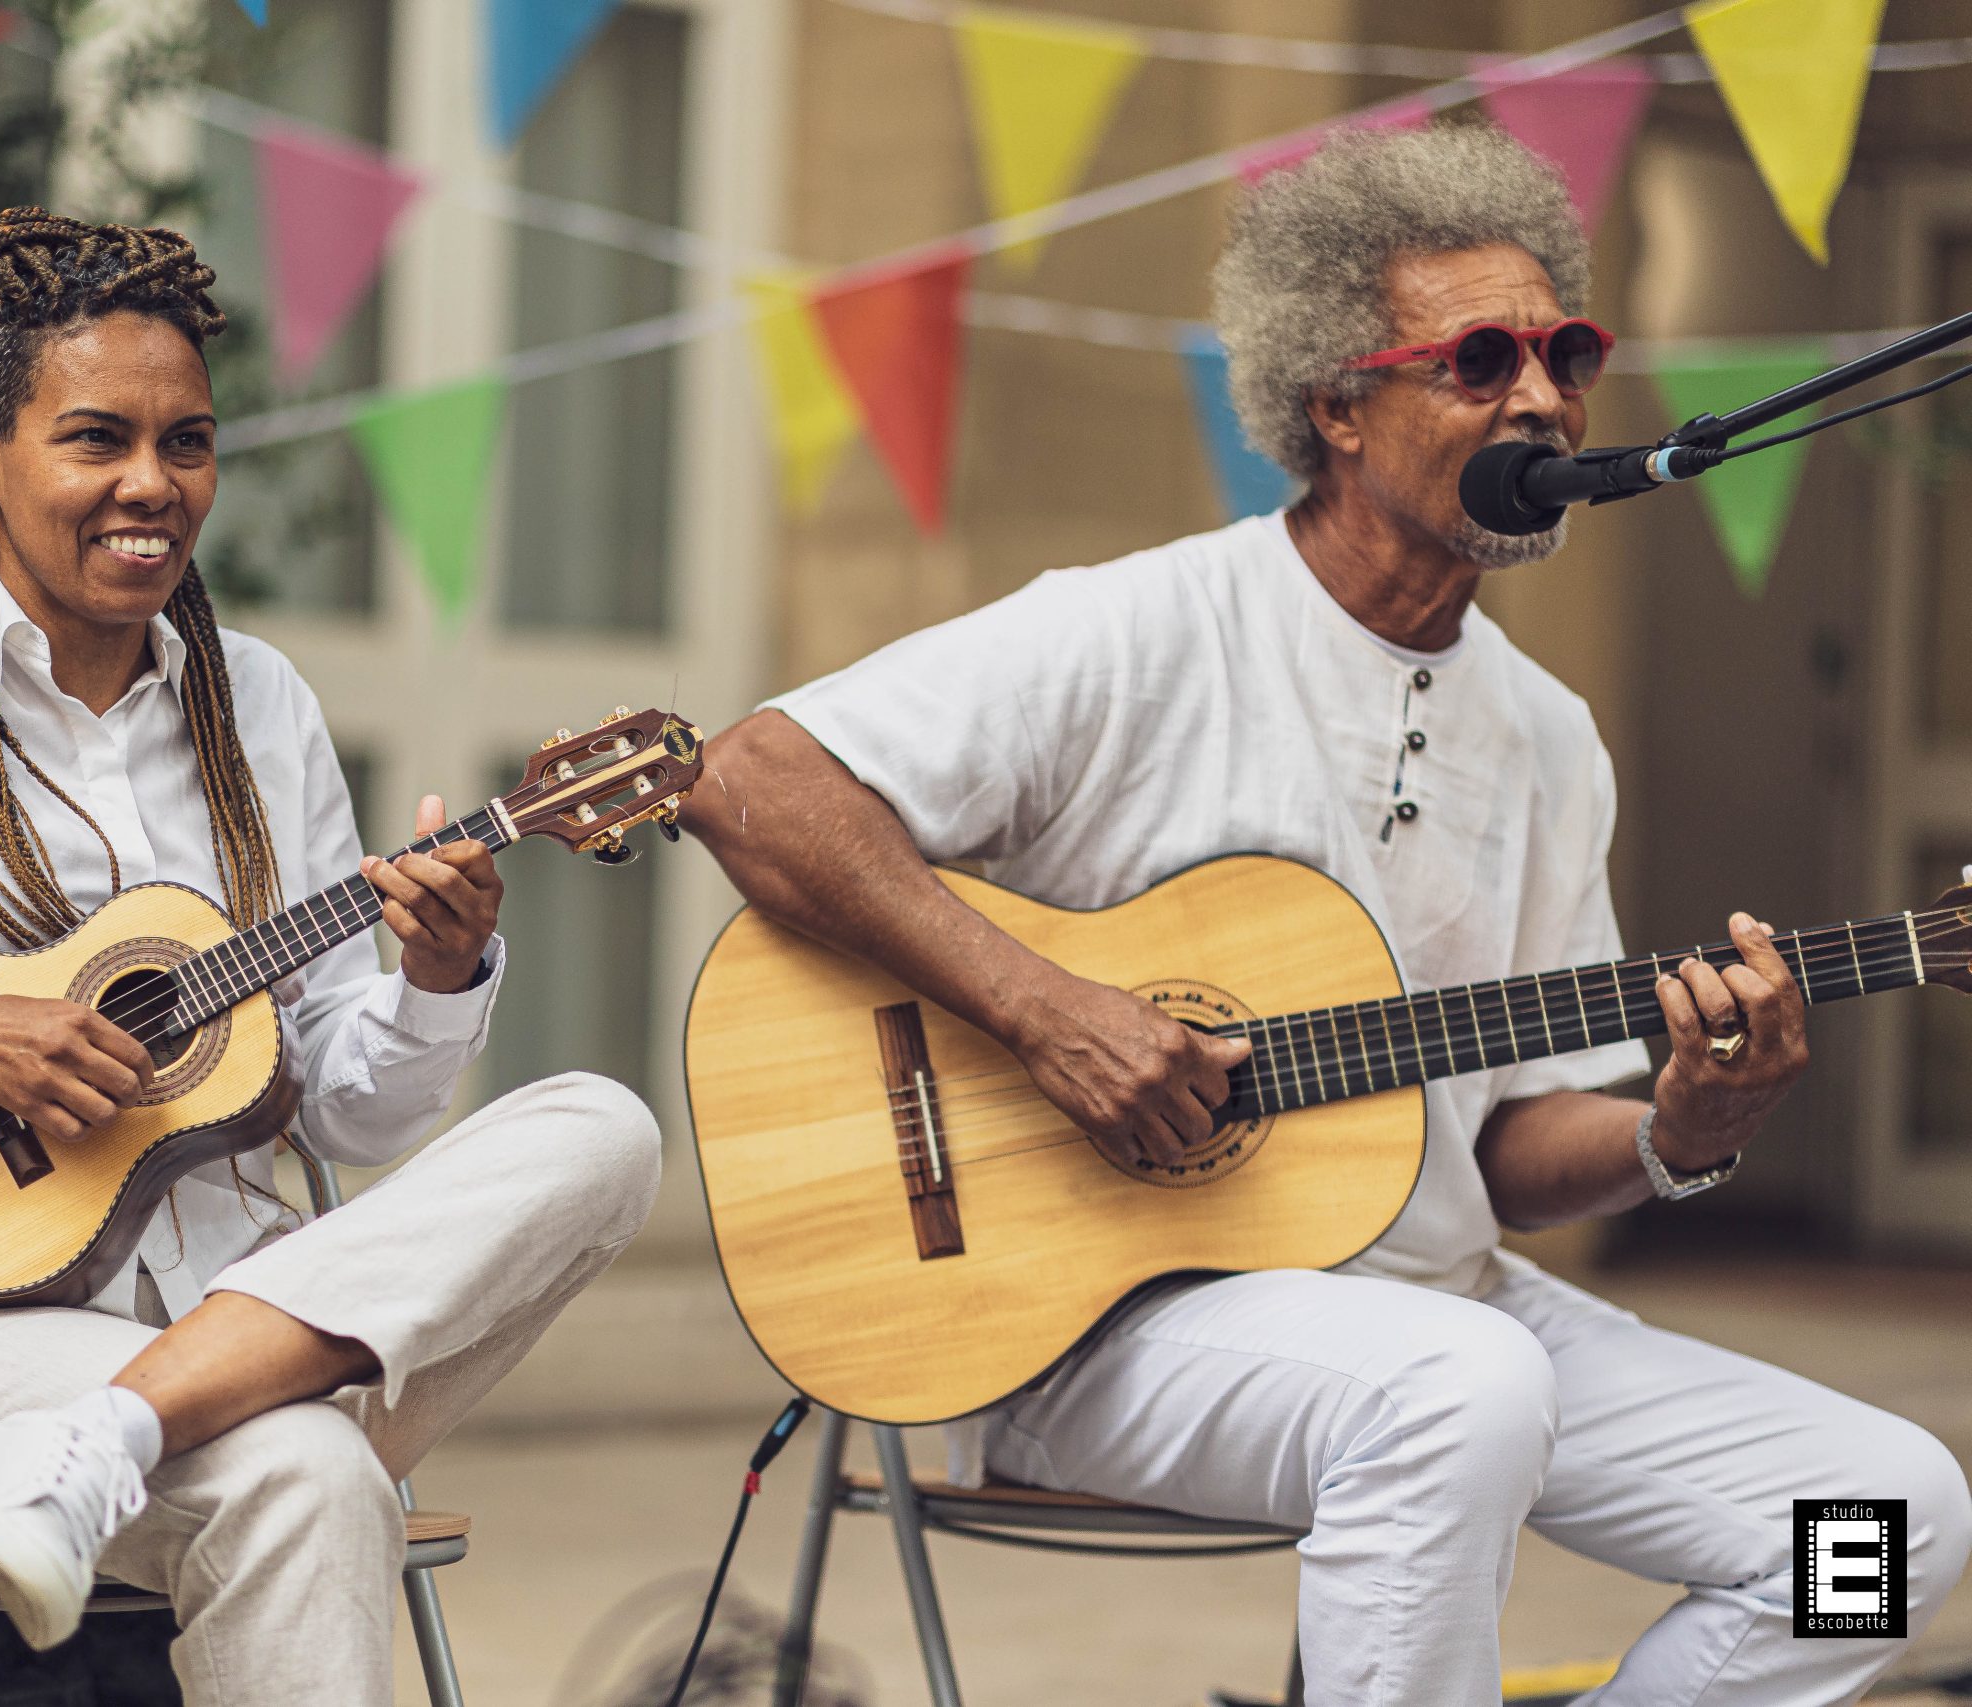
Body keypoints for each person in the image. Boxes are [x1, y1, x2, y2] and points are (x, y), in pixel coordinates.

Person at [681, 127, 1968, 1704]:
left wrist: (1687, 1130)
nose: (1546, 400)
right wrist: (1044, 1008)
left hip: (1438, 1303)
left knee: (1888, 1516)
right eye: (1481, 360)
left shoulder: (1551, 736)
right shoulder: (1139, 629)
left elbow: (1496, 1152)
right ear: (1337, 406)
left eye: (1565, 353)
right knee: (1463, 1391)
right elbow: (753, 780)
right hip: (1092, 1327)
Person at [0, 208, 660, 1703]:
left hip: (257, 1307)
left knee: (603, 1130)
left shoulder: (263, 711)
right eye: (97, 439)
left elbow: (344, 1109)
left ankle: (111, 1436)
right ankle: (121, 1431)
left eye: (190, 443)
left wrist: (434, 980)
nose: (151, 484)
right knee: (303, 1473)